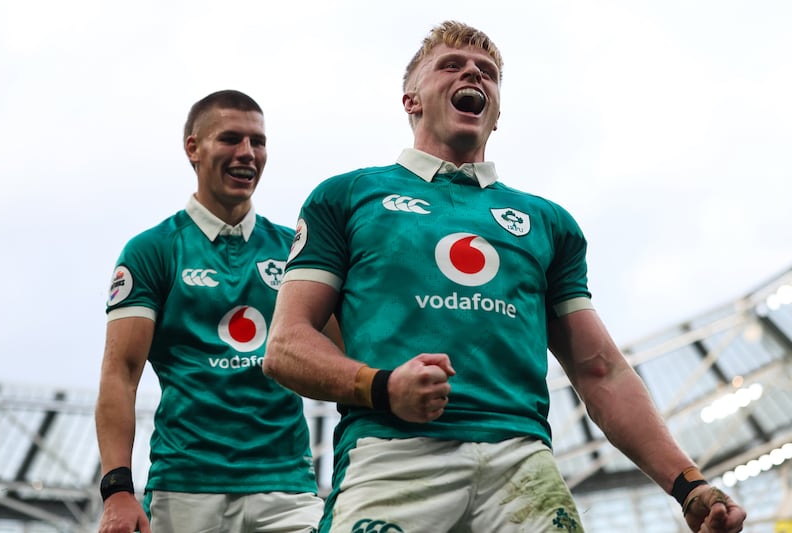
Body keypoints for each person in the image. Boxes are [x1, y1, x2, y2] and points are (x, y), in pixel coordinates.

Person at [264, 21, 747, 533]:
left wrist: (688, 484)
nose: (473, 72)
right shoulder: (346, 197)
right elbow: (287, 345)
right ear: (411, 100)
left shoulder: (547, 222)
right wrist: (381, 386)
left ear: (496, 113)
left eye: (487, 73)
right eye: (451, 65)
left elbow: (600, 370)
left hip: (522, 461)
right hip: (392, 452)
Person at [95, 89, 339, 533]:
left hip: (287, 489)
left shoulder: (296, 251)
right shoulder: (152, 250)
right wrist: (117, 490)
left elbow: (346, 357)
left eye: (258, 142)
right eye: (230, 138)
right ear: (193, 147)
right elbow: (120, 373)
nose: (247, 153)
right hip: (185, 490)